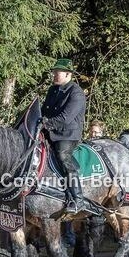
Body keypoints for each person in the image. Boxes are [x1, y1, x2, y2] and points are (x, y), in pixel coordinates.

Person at [40, 57, 87, 214]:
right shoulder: (52, 90)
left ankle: (78, 199)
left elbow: (65, 118)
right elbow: (44, 112)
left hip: (68, 134)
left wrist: (46, 124)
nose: (54, 75)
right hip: (51, 131)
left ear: (68, 75)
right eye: (54, 72)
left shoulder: (76, 93)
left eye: (57, 72)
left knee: (62, 156)